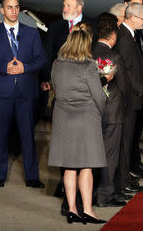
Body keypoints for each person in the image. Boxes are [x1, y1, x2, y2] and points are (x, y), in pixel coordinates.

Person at [0, 0, 46, 189]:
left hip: (25, 92)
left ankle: (32, 176)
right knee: (0, 135)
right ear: (2, 10)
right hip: (2, 93)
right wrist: (4, 68)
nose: (14, 11)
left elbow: (41, 59)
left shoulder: (32, 33)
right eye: (9, 7)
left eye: (16, 7)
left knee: (28, 135)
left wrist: (25, 67)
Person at [49, 24, 107, 224]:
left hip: (63, 119)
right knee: (86, 167)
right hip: (86, 120)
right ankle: (88, 210)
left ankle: (72, 209)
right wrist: (102, 110)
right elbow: (98, 96)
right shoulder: (89, 66)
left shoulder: (57, 64)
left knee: (69, 167)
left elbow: (55, 88)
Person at [113, 2, 143, 196]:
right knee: (124, 144)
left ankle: (125, 179)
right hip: (128, 100)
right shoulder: (124, 38)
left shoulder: (129, 36)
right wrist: (141, 89)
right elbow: (126, 71)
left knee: (127, 143)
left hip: (132, 98)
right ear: (133, 17)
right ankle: (121, 183)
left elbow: (135, 68)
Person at [91, 13, 128, 207]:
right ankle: (105, 196)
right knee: (110, 155)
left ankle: (93, 191)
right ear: (113, 36)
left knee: (93, 153)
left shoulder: (89, 51)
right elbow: (123, 86)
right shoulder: (114, 56)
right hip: (112, 112)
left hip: (93, 110)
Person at [40, 0, 97, 91]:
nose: (64, 9)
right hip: (59, 80)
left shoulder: (93, 25)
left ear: (79, 8)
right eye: (64, 5)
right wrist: (44, 78)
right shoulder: (55, 26)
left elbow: (95, 51)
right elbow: (47, 52)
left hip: (84, 81)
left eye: (68, 6)